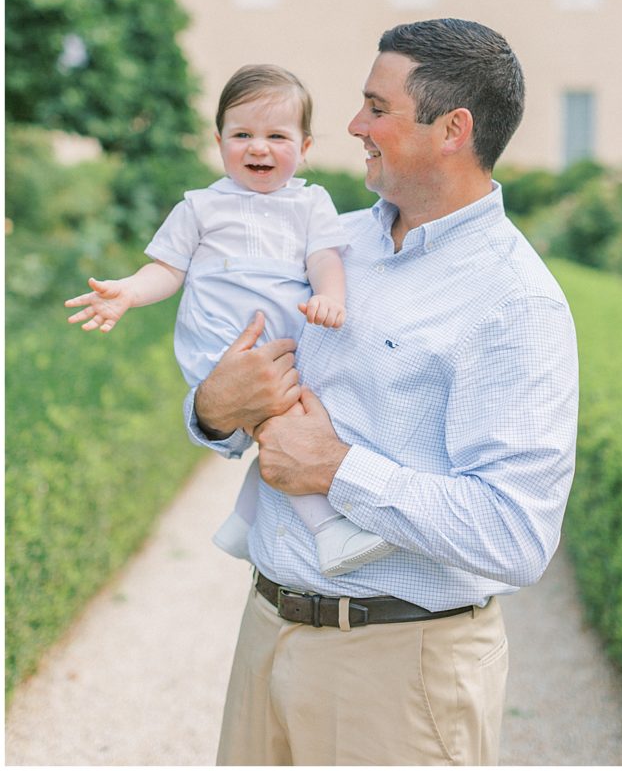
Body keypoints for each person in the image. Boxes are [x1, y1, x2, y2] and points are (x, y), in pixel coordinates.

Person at [187, 18, 579, 767]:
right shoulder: (333, 243)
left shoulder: (515, 302)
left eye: (376, 106)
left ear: (452, 129)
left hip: (402, 670)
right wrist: (212, 408)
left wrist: (338, 469)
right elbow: (243, 402)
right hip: (267, 632)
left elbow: (517, 536)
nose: (352, 125)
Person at [64, 64, 394, 578]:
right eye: (242, 135)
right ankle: (331, 531)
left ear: (305, 146)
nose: (258, 148)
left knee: (296, 423)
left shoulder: (311, 203)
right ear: (219, 142)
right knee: (279, 422)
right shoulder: (201, 207)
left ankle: (244, 520)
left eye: (276, 136)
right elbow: (167, 269)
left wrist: (331, 295)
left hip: (288, 346)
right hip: (223, 348)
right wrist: (128, 291)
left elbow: (324, 259)